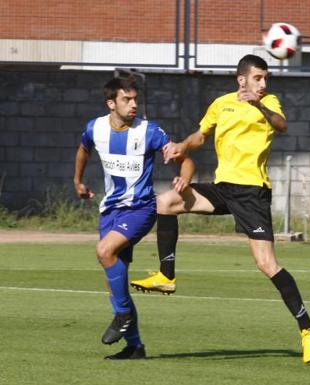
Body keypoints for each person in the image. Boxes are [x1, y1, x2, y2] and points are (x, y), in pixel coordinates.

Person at [129, 54, 310, 363]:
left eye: (265, 78)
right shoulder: (221, 104)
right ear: (241, 79)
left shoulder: (269, 102)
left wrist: (258, 105)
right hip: (224, 188)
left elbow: (282, 125)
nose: (263, 83)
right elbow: (201, 135)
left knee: (266, 264)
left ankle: (308, 328)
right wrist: (183, 144)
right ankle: (167, 276)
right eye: (258, 78)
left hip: (252, 193)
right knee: (165, 203)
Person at [73, 77, 194, 360]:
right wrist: (77, 181)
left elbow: (185, 158)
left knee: (104, 252)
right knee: (114, 277)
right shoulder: (96, 128)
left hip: (140, 209)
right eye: (127, 100)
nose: (134, 105)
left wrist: (184, 179)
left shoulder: (149, 132)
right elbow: (83, 149)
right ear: (111, 103)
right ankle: (135, 346)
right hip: (110, 211)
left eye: (135, 99)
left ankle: (123, 315)